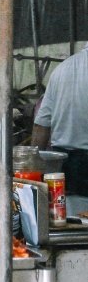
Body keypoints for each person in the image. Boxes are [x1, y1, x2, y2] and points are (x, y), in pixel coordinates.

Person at [31, 43, 88, 199]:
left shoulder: (62, 69)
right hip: (74, 162)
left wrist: (34, 169)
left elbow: (41, 124)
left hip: (62, 164)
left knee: (69, 215)